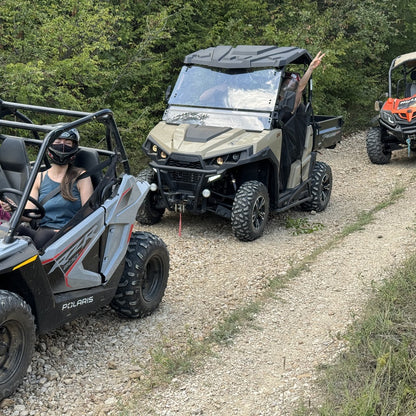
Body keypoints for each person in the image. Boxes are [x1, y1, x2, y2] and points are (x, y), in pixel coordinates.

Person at [17, 128, 94, 249]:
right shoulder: (39, 177)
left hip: (67, 235)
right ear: (50, 145)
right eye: (58, 142)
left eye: (67, 143)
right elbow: (29, 214)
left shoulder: (81, 176)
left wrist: (67, 231)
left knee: (42, 237)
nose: (62, 146)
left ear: (74, 147)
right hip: (41, 233)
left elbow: (88, 215)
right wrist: (14, 208)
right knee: (14, 229)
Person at [279, 50, 326, 117]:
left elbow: (300, 86)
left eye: (291, 86)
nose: (287, 87)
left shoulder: (292, 103)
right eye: (286, 84)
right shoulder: (272, 100)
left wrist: (310, 68)